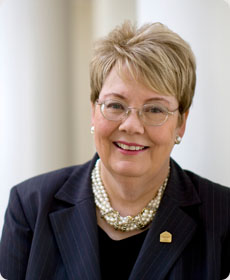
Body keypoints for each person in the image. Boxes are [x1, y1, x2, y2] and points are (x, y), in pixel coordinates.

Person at [0, 21, 229, 280]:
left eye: (155, 109)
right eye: (116, 105)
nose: (131, 126)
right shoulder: (30, 206)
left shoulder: (223, 214)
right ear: (93, 111)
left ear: (181, 123)